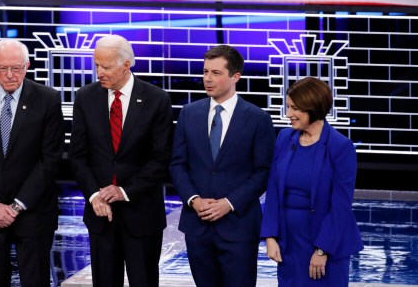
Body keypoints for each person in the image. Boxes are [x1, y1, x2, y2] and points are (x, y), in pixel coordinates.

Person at [69, 35, 173, 287]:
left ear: (126, 65)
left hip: (142, 213)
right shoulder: (85, 97)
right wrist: (94, 196)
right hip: (100, 215)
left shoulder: (156, 99)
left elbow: (161, 159)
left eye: (106, 66)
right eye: (96, 65)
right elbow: (78, 156)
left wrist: (124, 191)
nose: (99, 72)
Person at [0, 38, 65, 287]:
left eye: (16, 68)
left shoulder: (48, 99)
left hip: (33, 212)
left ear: (27, 66)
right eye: (2, 68)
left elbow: (50, 159)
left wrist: (16, 206)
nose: (9, 75)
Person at [169, 44, 275, 287]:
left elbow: (263, 171)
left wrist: (229, 203)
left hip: (238, 227)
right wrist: (194, 199)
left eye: (216, 73)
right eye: (205, 72)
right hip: (197, 226)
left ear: (235, 76)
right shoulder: (188, 113)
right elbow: (177, 164)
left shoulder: (258, 119)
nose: (208, 79)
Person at [261, 77, 363, 285]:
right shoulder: (284, 138)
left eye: (295, 108)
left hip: (327, 242)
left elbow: (341, 204)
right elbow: (272, 188)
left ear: (314, 109)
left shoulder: (340, 147)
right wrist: (270, 236)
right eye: (288, 107)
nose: (288, 114)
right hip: (288, 242)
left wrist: (322, 249)